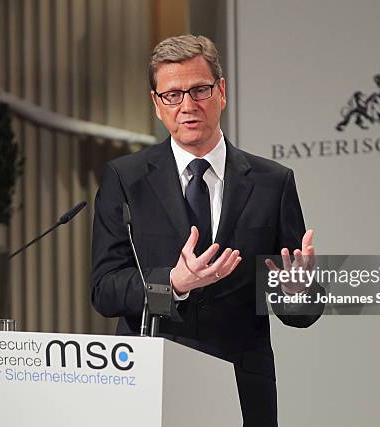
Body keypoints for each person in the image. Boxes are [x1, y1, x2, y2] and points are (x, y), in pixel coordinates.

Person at [91, 34, 324, 427]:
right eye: (172, 95)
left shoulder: (273, 182)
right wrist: (174, 282)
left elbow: (301, 311)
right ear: (156, 104)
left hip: (241, 383)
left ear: (222, 91)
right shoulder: (125, 179)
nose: (187, 106)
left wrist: (297, 292)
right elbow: (105, 288)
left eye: (199, 89)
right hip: (151, 384)